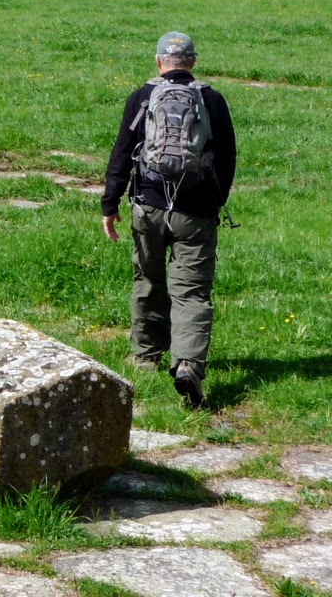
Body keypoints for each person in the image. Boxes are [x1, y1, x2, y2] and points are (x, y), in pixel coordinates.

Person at [102, 31, 236, 409]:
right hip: (196, 212)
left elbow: (122, 152)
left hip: (148, 206)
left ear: (159, 61)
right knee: (192, 291)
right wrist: (215, 202)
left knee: (148, 278)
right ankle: (188, 365)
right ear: (192, 62)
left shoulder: (143, 96)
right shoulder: (211, 99)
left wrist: (109, 205)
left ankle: (144, 357)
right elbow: (227, 157)